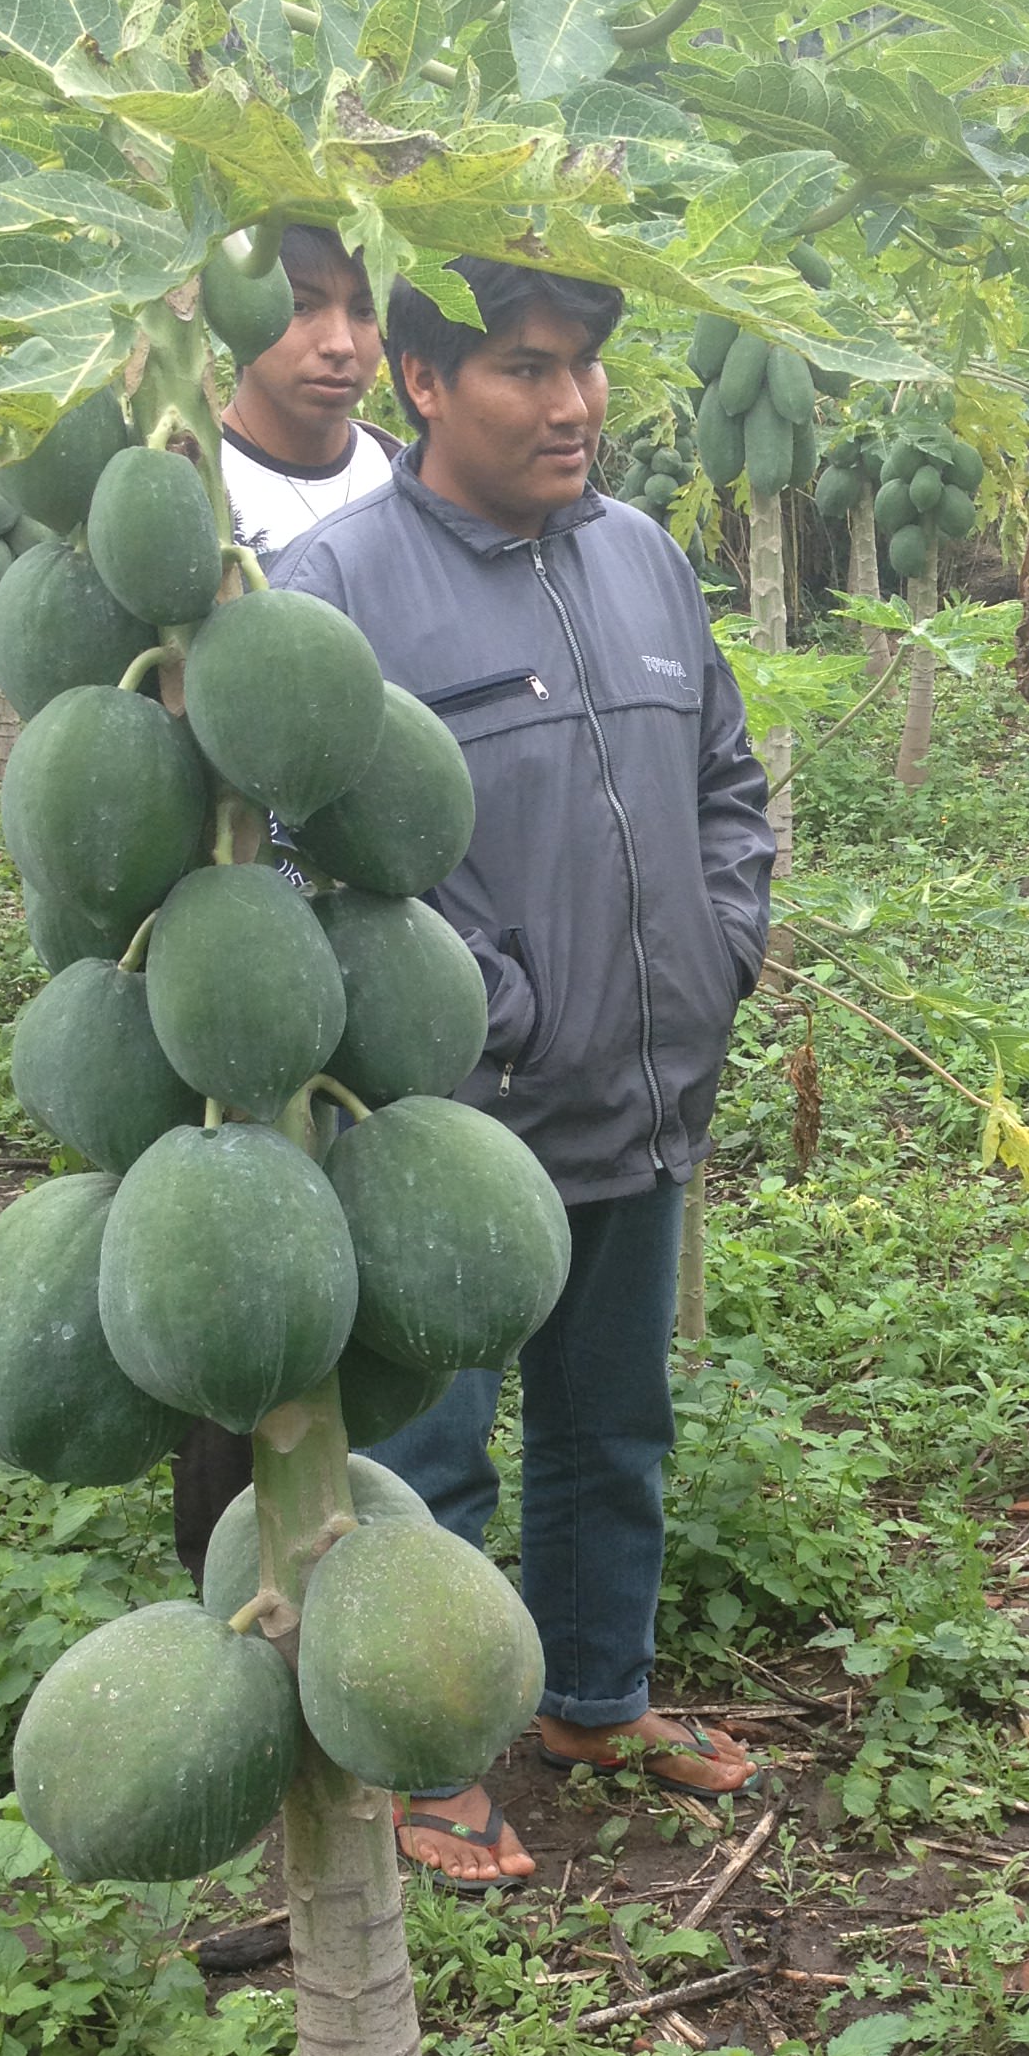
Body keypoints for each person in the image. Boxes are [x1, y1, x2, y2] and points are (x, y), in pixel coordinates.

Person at [267, 258, 774, 1890]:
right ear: (421, 380)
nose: (570, 404)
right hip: (454, 1125)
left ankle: (590, 1698)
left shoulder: (641, 558)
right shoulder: (333, 588)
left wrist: (719, 945)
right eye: (525, 369)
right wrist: (487, 1012)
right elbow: (297, 865)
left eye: (585, 368)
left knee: (613, 1425)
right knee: (430, 1454)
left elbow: (723, 782)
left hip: (640, 1091)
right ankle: (420, 1749)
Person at [218, 225, 398, 561]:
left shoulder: (399, 475)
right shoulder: (198, 480)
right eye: (299, 306)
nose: (340, 345)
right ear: (236, 312)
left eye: (364, 311)